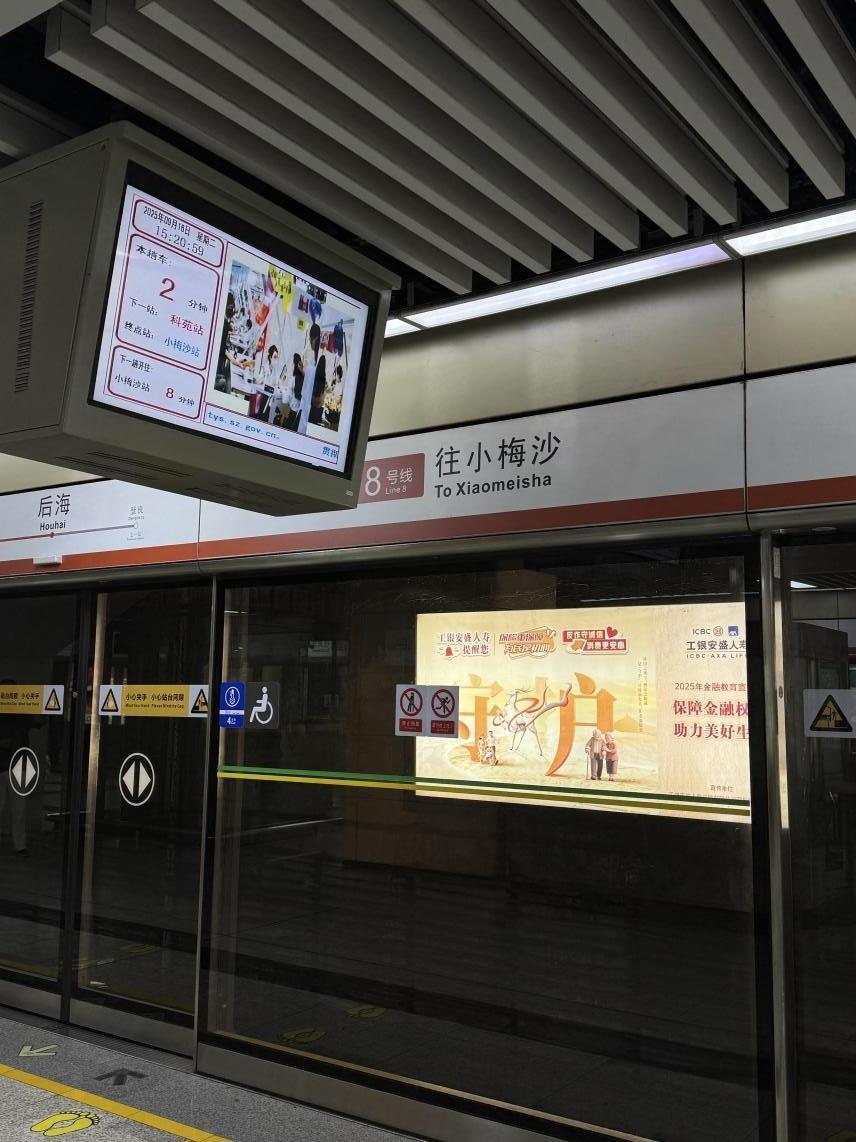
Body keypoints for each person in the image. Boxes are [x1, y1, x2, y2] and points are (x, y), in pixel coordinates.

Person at [298, 324, 321, 435]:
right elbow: (310, 381)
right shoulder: (314, 361)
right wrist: (303, 371)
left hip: (308, 406)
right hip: (306, 405)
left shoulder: (317, 363)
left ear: (314, 338)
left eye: (309, 338)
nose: (309, 341)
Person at [308, 354, 328, 426]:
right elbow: (322, 398)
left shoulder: (314, 375)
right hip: (318, 408)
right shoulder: (324, 378)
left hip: (310, 405)